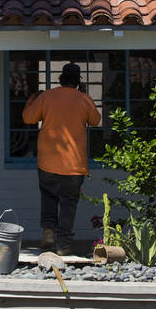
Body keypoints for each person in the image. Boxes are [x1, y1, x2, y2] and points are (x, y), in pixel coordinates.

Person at [22, 62, 102, 255]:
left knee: (48, 196)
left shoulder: (47, 96)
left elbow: (28, 118)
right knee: (68, 203)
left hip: (48, 161)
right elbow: (96, 120)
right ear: (78, 81)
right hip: (74, 164)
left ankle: (48, 231)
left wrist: (32, 99)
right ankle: (63, 244)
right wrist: (84, 94)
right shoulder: (84, 99)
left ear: (61, 78)